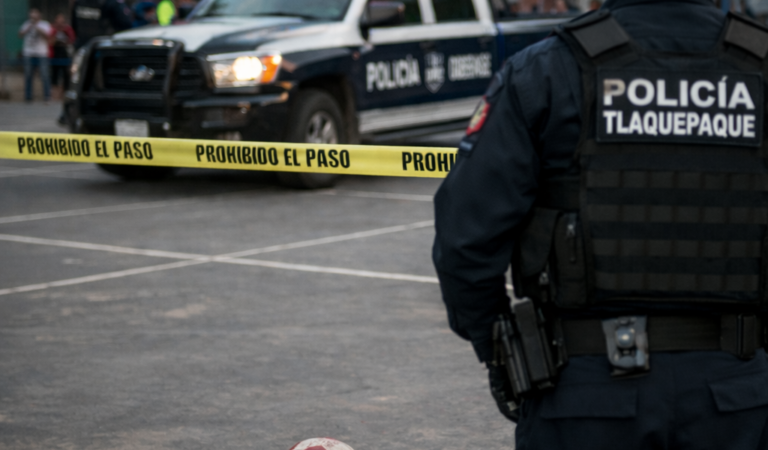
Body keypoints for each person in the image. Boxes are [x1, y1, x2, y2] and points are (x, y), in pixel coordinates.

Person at [432, 1, 768, 449]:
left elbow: (466, 237)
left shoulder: (548, 69)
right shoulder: (759, 64)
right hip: (740, 394)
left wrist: (498, 349)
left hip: (585, 393)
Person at [18, 8, 52, 102]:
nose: (32, 14)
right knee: (28, 74)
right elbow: (20, 34)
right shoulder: (26, 23)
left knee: (44, 75)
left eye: (35, 13)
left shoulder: (44, 24)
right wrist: (29, 27)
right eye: (31, 13)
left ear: (39, 14)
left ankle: (47, 96)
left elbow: (48, 36)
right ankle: (28, 97)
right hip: (28, 53)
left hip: (41, 53)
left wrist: (36, 26)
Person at [48, 13, 76, 101]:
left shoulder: (67, 29)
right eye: (58, 21)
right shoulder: (53, 29)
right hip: (55, 54)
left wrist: (65, 33)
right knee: (54, 75)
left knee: (66, 75)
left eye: (62, 21)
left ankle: (64, 94)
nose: (60, 23)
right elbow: (50, 41)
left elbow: (72, 40)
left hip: (65, 54)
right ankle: (54, 94)